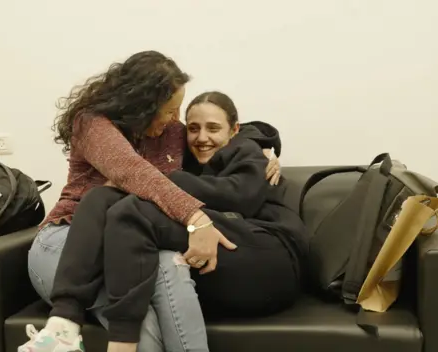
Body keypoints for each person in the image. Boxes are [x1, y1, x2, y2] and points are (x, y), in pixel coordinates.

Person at [18, 51, 281, 352]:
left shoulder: (169, 131)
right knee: (142, 325)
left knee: (172, 265)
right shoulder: (92, 123)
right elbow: (134, 172)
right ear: (142, 106)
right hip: (70, 239)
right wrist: (196, 218)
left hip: (130, 239)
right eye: (170, 110)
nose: (175, 119)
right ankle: (62, 331)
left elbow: (219, 129)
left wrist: (260, 147)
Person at [83, 91, 308, 352]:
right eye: (193, 128)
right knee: (109, 201)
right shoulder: (187, 157)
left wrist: (165, 180)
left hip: (272, 253)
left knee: (133, 211)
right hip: (236, 254)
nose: (202, 138)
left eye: (213, 128)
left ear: (234, 130)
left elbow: (241, 197)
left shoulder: (245, 149)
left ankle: (115, 339)